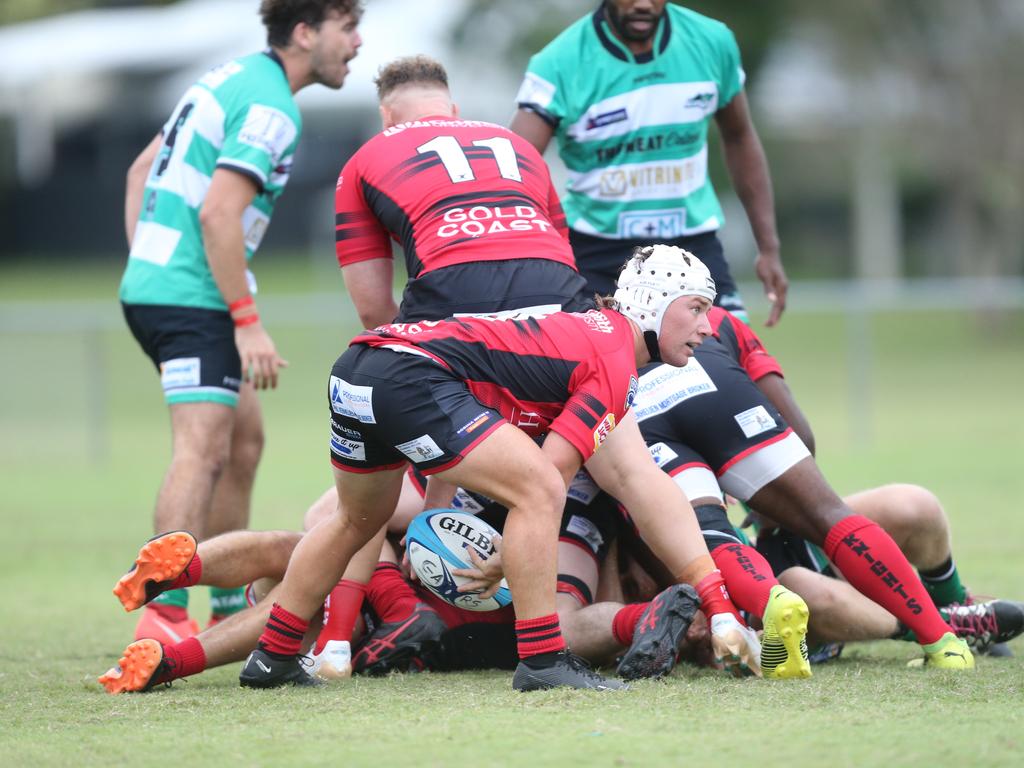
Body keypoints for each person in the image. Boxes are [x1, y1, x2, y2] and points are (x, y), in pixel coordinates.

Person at [236, 245, 763, 693]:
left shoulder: (589, 333)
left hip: (359, 368)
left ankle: (273, 654)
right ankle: (542, 659)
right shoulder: (613, 359)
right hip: (408, 375)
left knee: (354, 522)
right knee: (538, 490)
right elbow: (549, 473)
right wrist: (504, 562)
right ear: (652, 302)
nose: (706, 327)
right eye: (695, 308)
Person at [116, 0, 363, 642]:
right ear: (306, 33)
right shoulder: (271, 106)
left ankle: (227, 601)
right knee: (201, 453)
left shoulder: (226, 79)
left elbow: (142, 169)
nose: (358, 43)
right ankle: (161, 615)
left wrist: (148, 263)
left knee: (243, 443)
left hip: (168, 286)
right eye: (348, 28)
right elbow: (220, 215)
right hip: (193, 298)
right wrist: (246, 321)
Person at [628, 306, 977, 668]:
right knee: (810, 579)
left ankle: (956, 605)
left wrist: (769, 515)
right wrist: (768, 496)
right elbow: (801, 434)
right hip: (755, 564)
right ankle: (945, 632)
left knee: (915, 506)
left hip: (733, 555)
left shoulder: (599, 344)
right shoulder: (718, 318)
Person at [511, 0, 786, 325]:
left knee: (735, 363)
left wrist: (768, 248)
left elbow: (739, 137)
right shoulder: (559, 62)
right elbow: (515, 169)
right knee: (610, 369)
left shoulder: (712, 41)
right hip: (598, 253)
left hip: (692, 245)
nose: (643, 4)